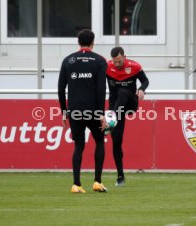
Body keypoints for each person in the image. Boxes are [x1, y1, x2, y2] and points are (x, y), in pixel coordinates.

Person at [58, 29, 108, 193]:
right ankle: (97, 182)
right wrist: (101, 113)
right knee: (99, 141)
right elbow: (101, 89)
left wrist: (64, 112)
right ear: (93, 42)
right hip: (93, 110)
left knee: (78, 145)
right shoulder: (100, 61)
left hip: (75, 110)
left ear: (78, 42)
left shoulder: (68, 60)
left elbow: (60, 89)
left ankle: (76, 184)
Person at [106, 47, 149, 186]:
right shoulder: (106, 67)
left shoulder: (134, 66)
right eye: (115, 62)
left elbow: (145, 81)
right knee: (116, 141)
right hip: (115, 107)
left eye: (119, 61)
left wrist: (142, 89)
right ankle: (120, 176)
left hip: (130, 103)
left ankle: (111, 121)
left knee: (123, 92)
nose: (117, 65)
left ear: (125, 56)